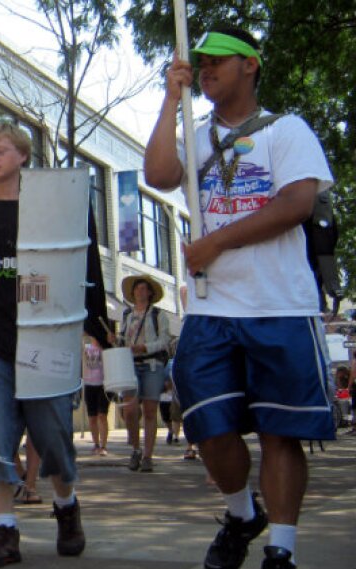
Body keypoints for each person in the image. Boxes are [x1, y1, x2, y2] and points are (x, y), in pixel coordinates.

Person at [144, 27, 336, 569]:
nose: (206, 70)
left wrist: (215, 242)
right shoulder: (194, 134)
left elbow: (296, 202)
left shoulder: (287, 129)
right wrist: (168, 99)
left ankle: (281, 548)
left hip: (279, 305)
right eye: (199, 63)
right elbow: (158, 174)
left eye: (218, 61)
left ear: (250, 65)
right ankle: (240, 512)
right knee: (207, 421)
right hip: (212, 306)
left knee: (282, 431)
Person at [0, 122, 92, 567]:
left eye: (0, 150)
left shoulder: (52, 209)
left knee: (52, 436)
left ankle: (67, 506)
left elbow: (82, 268)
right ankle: (4, 530)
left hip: (46, 339)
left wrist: (87, 328)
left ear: (22, 156)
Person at [108, 274, 171, 474]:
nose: (140, 292)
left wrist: (144, 348)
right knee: (130, 410)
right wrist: (115, 340)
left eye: (144, 289)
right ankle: (135, 448)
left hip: (152, 365)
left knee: (151, 411)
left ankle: (148, 456)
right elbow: (124, 340)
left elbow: (164, 341)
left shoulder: (158, 315)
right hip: (130, 365)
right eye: (137, 289)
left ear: (150, 293)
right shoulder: (127, 315)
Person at [82, 336, 110, 456]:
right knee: (92, 416)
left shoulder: (105, 348)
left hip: (103, 384)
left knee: (102, 415)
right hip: (89, 384)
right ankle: (96, 444)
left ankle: (103, 446)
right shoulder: (86, 347)